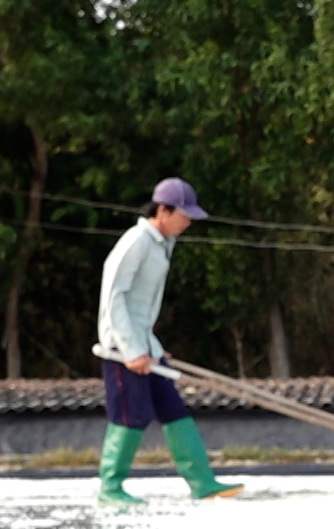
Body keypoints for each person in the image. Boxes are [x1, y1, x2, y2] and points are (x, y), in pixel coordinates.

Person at [92, 177, 242, 504]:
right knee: (132, 415)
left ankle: (202, 482)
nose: (188, 222)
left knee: (173, 409)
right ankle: (110, 488)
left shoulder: (162, 242)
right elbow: (115, 297)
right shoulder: (137, 241)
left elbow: (141, 308)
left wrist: (153, 348)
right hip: (122, 349)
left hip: (144, 344)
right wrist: (132, 350)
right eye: (183, 215)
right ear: (163, 210)